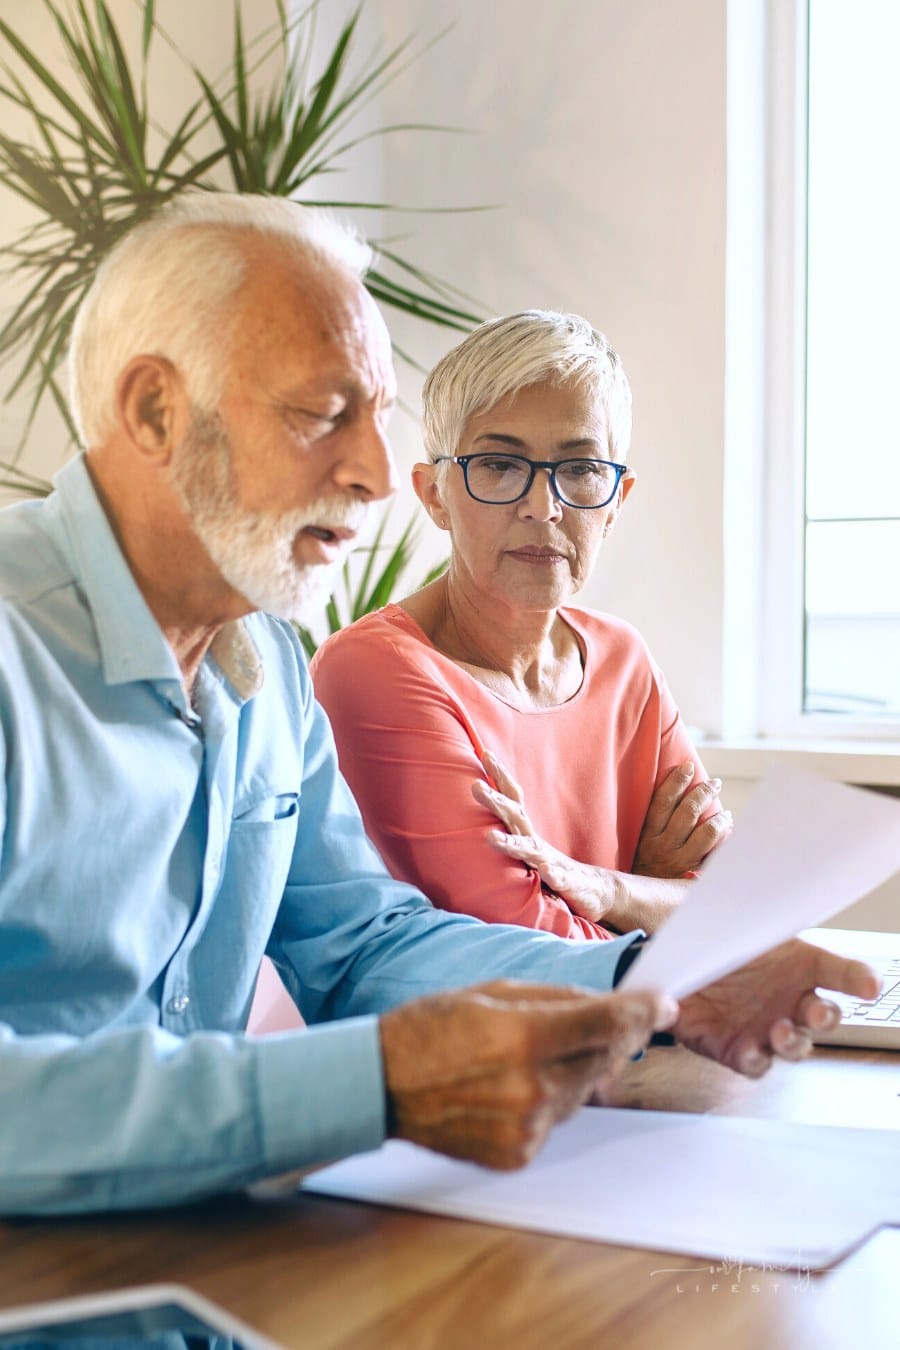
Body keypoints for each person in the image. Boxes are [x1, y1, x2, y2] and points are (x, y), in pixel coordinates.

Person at [0, 194, 877, 1217]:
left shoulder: (267, 665)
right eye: (322, 413)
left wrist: (655, 982)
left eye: (376, 417)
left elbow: (365, 943)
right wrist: (372, 1083)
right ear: (154, 411)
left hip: (201, 1260)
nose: (376, 476)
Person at [312, 311, 726, 940]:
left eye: (581, 469)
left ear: (617, 499)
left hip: (641, 1037)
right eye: (500, 466)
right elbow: (531, 948)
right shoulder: (375, 671)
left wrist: (608, 889)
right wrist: (649, 889)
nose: (544, 507)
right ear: (434, 495)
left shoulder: (623, 660)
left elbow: (731, 904)